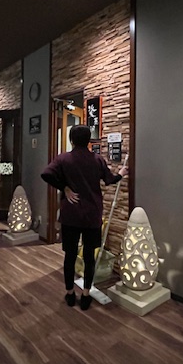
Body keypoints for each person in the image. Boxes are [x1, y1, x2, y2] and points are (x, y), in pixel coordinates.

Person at [41, 125, 128, 310]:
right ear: (89, 140)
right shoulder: (97, 159)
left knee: (70, 256)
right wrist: (120, 174)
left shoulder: (63, 158)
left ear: (71, 139)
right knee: (89, 256)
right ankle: (86, 294)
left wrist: (64, 187)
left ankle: (70, 293)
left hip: (70, 215)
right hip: (92, 215)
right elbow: (109, 180)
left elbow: (46, 174)